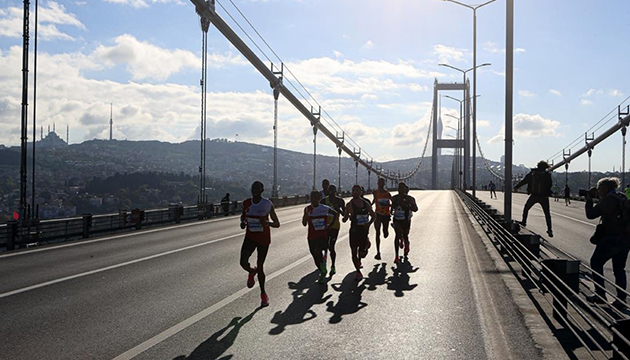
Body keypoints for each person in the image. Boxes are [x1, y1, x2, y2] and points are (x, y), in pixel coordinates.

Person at [585, 177, 630, 309]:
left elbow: (591, 214)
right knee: (619, 269)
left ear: (604, 188)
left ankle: (600, 295)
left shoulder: (609, 199)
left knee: (596, 262)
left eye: (599, 188)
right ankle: (621, 299)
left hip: (612, 237)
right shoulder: (620, 197)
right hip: (625, 238)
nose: (598, 191)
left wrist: (588, 201)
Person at [240, 181, 280, 307]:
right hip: (250, 237)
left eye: (257, 188)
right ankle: (251, 271)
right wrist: (243, 222)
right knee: (242, 262)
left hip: (263, 239)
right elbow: (243, 216)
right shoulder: (246, 203)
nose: (255, 190)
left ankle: (263, 294)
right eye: (253, 188)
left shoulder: (267, 204)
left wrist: (266, 223)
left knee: (260, 266)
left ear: (262, 190)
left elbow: (277, 223)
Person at [303, 190, 339, 283]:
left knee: (317, 251)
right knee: (315, 255)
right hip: (311, 236)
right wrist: (305, 217)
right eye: (312, 197)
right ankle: (322, 269)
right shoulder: (307, 209)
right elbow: (304, 223)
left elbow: (335, 213)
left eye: (315, 197)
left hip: (322, 235)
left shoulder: (324, 208)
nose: (313, 199)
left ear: (319, 198)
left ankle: (323, 268)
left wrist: (330, 225)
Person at [342, 184, 375, 281]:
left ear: (361, 192)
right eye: (353, 190)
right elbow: (344, 218)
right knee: (353, 252)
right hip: (354, 231)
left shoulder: (365, 204)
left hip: (363, 232)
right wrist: (345, 217)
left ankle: (364, 250)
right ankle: (358, 271)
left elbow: (373, 216)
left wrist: (369, 224)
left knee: (362, 253)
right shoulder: (349, 205)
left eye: (357, 190)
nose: (355, 192)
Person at [514, 161, 554, 237]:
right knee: (547, 213)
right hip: (543, 196)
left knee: (526, 208)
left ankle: (523, 222)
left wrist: (516, 187)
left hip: (534, 195)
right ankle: (549, 229)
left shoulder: (532, 173)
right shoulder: (547, 174)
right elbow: (550, 184)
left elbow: (524, 181)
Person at [391, 182, 418, 263]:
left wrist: (407, 206)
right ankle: (396, 256)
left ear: (405, 189)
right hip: (397, 219)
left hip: (406, 220)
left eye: (402, 188)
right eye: (399, 188)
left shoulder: (410, 199)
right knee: (397, 235)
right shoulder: (394, 198)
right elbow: (391, 208)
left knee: (405, 235)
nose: (400, 190)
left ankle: (406, 243)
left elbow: (415, 209)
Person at [321, 184, 345, 276]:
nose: (331, 194)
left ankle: (333, 266)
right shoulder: (323, 201)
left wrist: (339, 211)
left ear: (335, 192)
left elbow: (344, 213)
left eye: (333, 192)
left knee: (331, 247)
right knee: (324, 246)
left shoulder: (340, 201)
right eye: (330, 192)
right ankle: (324, 261)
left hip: (335, 226)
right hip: (325, 226)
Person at [372, 178, 392, 260]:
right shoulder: (375, 192)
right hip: (378, 214)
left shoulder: (387, 193)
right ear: (377, 183)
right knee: (377, 233)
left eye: (382, 183)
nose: (380, 184)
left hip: (386, 215)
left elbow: (392, 201)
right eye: (379, 183)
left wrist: (390, 207)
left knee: (385, 233)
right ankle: (378, 252)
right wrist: (368, 206)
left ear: (384, 184)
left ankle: (386, 230)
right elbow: (374, 200)